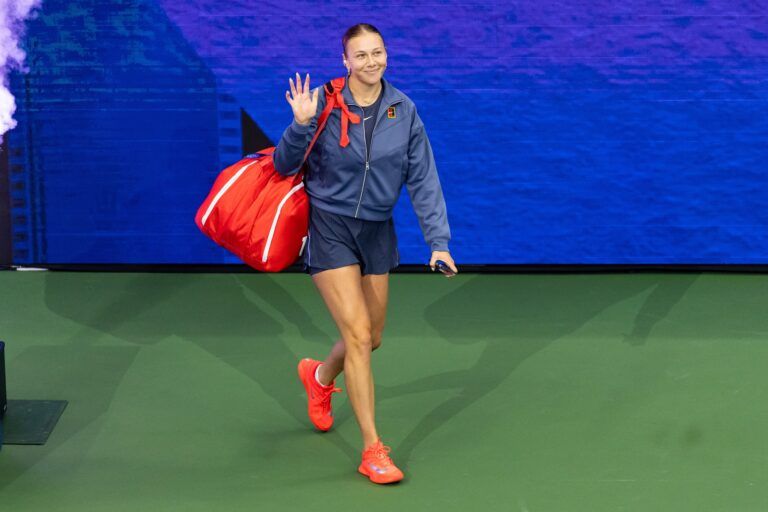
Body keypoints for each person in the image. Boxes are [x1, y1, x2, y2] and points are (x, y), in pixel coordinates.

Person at [273, 23, 458, 485]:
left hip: (377, 231)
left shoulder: (403, 108)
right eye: (361, 55)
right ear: (345, 61)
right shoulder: (324, 102)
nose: (371, 62)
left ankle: (319, 378)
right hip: (330, 226)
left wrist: (438, 242)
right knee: (356, 335)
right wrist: (299, 125)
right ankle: (372, 450)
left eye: (378, 53)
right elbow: (283, 163)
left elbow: (423, 178)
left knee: (371, 338)